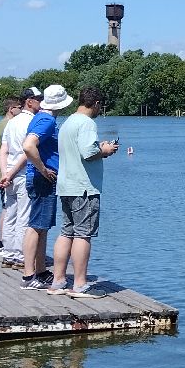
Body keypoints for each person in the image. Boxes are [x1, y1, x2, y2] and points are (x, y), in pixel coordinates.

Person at [49, 88, 119, 297]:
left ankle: (58, 281)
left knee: (66, 232)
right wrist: (105, 150)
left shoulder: (68, 122)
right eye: (100, 106)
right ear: (96, 103)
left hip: (66, 186)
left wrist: (98, 147)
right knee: (83, 234)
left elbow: (79, 149)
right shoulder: (87, 123)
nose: (100, 109)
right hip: (84, 187)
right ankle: (80, 284)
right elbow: (88, 153)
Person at [20, 85, 71, 290]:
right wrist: (43, 169)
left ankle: (40, 271)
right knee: (35, 225)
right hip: (42, 179)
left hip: (43, 179)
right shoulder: (47, 121)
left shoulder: (41, 118)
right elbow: (28, 145)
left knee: (42, 226)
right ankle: (28, 275)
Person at [0, 88, 44, 269]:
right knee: (24, 215)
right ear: (29, 101)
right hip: (23, 173)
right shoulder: (33, 122)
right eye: (39, 99)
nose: (42, 102)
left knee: (10, 214)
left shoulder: (12, 122)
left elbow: (4, 150)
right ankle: (20, 255)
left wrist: (5, 173)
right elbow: (28, 151)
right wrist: (10, 173)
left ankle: (8, 254)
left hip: (9, 174)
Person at [0, 96, 21, 260]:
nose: (21, 110)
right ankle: (2, 243)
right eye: (19, 107)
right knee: (8, 208)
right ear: (11, 109)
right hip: (6, 172)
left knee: (7, 207)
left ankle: (5, 242)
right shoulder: (9, 125)